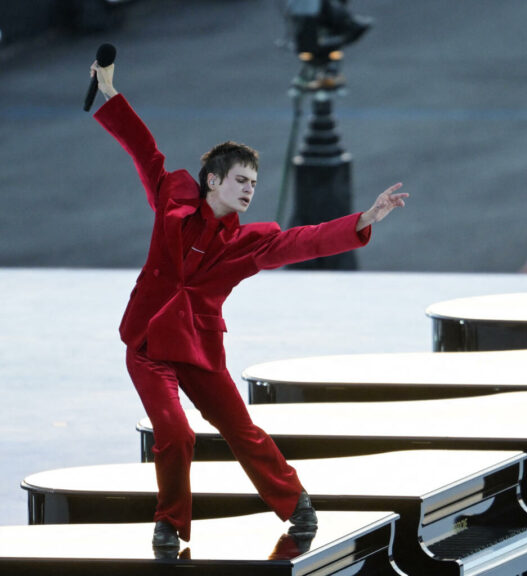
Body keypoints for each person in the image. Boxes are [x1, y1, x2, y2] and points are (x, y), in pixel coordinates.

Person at [88, 59, 409, 550]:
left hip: (199, 349)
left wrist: (363, 219)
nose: (249, 190)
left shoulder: (248, 243)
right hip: (148, 345)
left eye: (254, 184)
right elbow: (143, 149)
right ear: (212, 181)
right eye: (241, 180)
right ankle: (169, 524)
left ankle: (294, 501)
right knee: (176, 432)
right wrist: (109, 92)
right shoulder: (172, 201)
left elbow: (304, 240)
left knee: (241, 428)